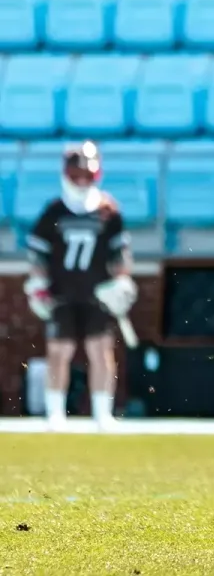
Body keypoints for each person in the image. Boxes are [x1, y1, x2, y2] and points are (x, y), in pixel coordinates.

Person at [24, 141, 136, 431]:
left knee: (100, 352)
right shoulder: (54, 211)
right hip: (62, 293)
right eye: (78, 173)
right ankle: (55, 413)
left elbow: (120, 253)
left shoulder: (108, 210)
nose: (83, 179)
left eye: (88, 173)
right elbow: (38, 254)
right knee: (58, 353)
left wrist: (122, 280)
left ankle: (102, 414)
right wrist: (37, 282)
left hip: (97, 294)